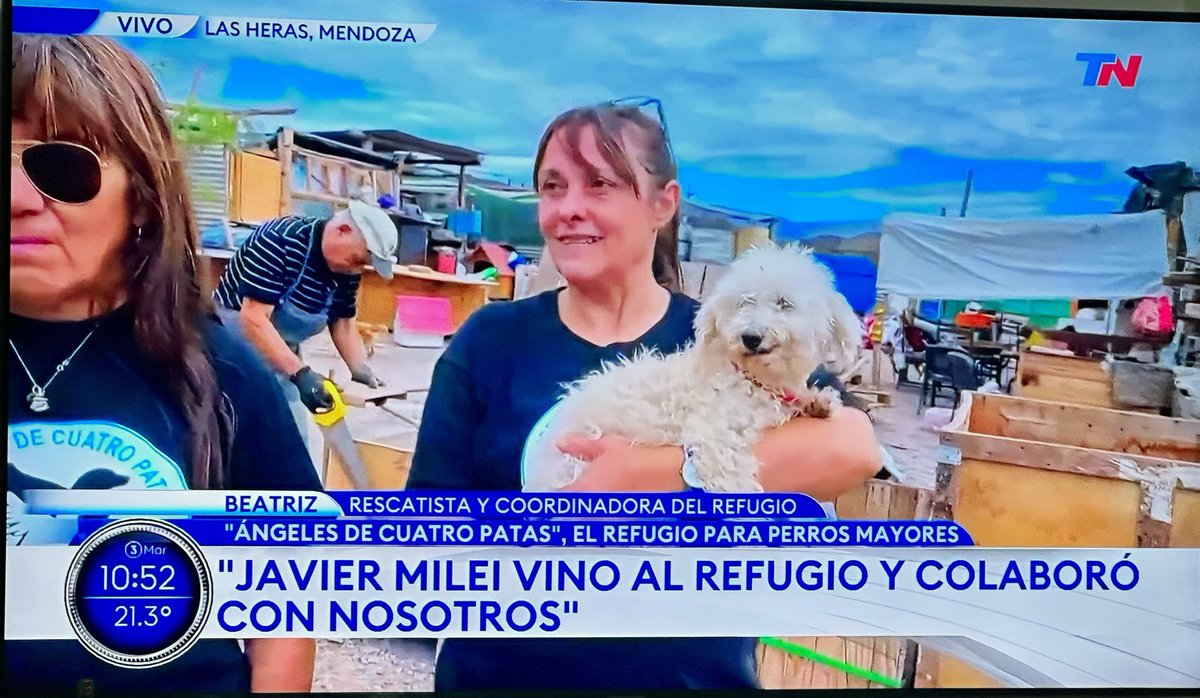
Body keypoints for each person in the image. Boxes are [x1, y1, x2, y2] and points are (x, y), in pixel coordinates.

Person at [407, 99, 882, 692]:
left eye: (600, 184)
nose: (569, 209)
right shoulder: (492, 340)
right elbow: (428, 533)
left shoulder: (726, 334)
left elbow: (853, 449)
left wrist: (649, 474)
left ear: (664, 204)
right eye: (553, 187)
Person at [7, 35, 320, 694]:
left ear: (143, 197)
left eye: (61, 164)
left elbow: (289, 592)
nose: (16, 196)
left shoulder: (223, 373)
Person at [212, 199, 398, 442]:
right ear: (342, 231)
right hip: (230, 347)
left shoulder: (345, 269)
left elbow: (342, 321)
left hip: (279, 351)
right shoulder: (279, 241)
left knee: (293, 436)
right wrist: (300, 374)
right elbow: (254, 319)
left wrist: (360, 369)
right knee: (234, 431)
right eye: (357, 260)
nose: (357, 269)